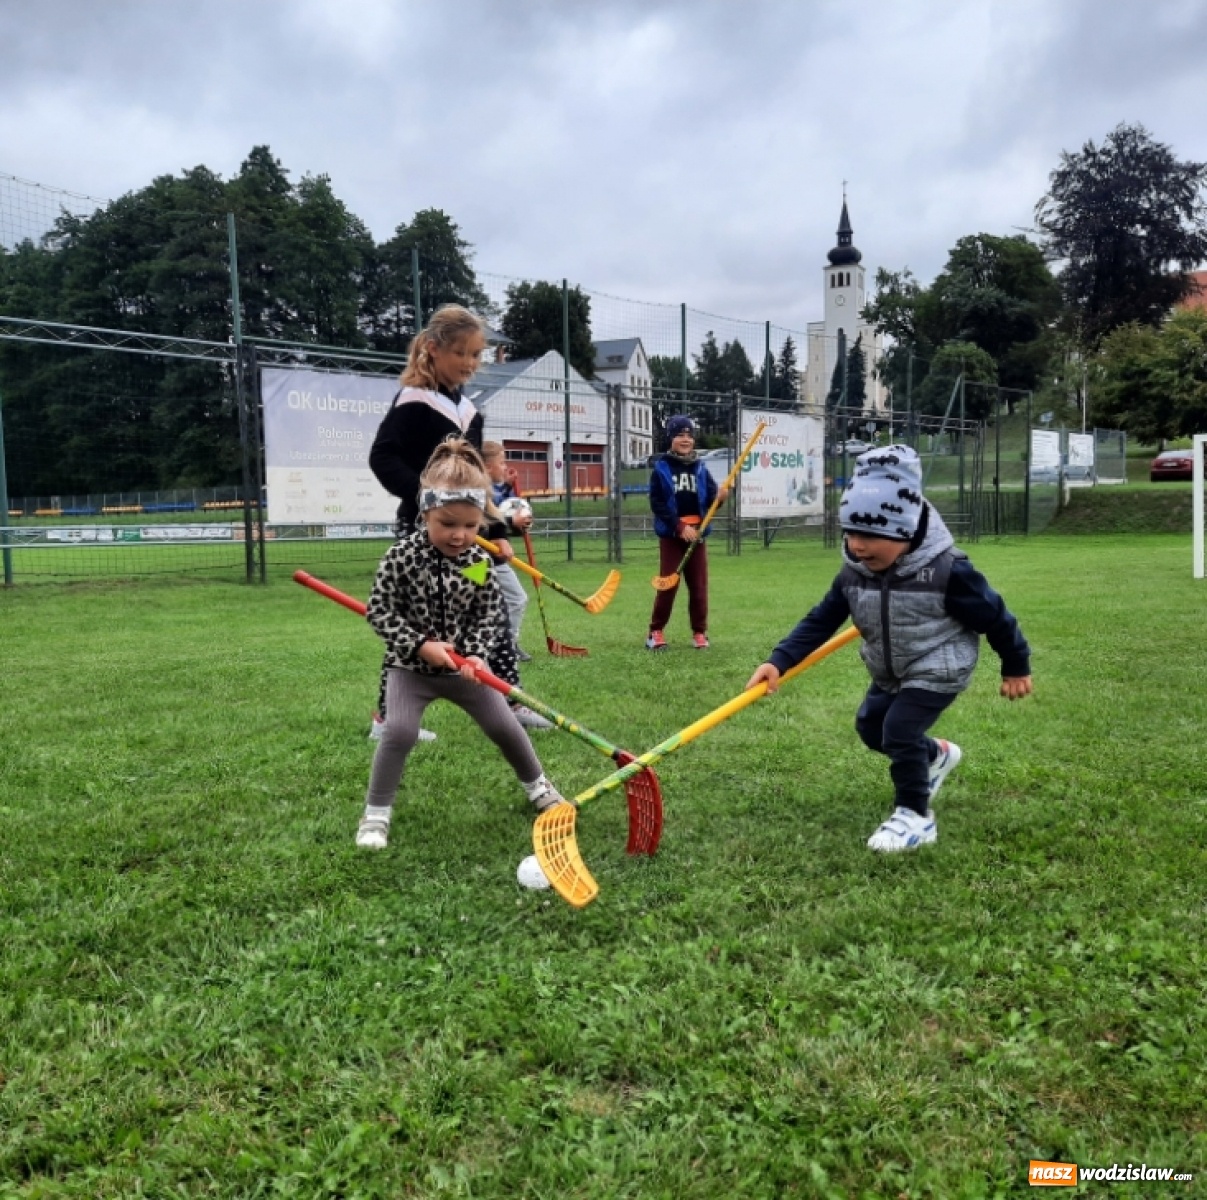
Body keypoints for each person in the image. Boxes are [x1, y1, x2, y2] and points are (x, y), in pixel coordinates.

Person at [745, 445, 1032, 853]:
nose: (858, 546)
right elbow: (821, 620)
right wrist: (778, 661)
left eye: (870, 535)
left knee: (899, 730)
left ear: (905, 529)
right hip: (892, 669)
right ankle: (934, 757)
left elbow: (996, 616)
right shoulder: (854, 572)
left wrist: (1015, 665)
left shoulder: (949, 571)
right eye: (850, 532)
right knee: (871, 729)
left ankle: (915, 817)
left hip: (939, 664)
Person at [355, 437, 566, 850]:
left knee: (504, 724)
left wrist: (475, 653)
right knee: (398, 730)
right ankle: (376, 814)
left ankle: (539, 787)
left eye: (470, 526)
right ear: (425, 512)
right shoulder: (401, 557)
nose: (459, 535)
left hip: (463, 670)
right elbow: (379, 612)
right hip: (410, 670)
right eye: (447, 524)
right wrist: (419, 645)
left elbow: (486, 614)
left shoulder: (477, 562)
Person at [367, 304, 549, 735]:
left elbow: (477, 485)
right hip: (421, 529)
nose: (470, 363)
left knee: (493, 614)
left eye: (476, 355)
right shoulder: (414, 403)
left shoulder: (470, 412)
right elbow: (382, 457)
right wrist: (429, 501)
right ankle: (387, 717)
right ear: (432, 349)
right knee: (417, 628)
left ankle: (507, 698)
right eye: (461, 353)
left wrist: (495, 530)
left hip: (467, 538)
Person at [646, 414, 728, 650]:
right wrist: (679, 527)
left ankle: (699, 633)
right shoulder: (662, 467)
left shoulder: (701, 467)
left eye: (689, 435)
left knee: (699, 586)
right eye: (680, 435)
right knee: (668, 584)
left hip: (698, 535)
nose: (685, 439)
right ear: (671, 438)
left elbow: (711, 500)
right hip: (673, 535)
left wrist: (720, 498)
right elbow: (658, 503)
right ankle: (655, 632)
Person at [481, 441, 532, 661]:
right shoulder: (473, 490)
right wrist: (512, 520)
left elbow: (497, 504)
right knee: (488, 601)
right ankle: (501, 646)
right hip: (476, 561)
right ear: (486, 466)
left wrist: (509, 487)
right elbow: (481, 518)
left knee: (514, 598)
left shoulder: (489, 488)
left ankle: (505, 644)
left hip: (494, 557)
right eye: (501, 462)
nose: (505, 467)